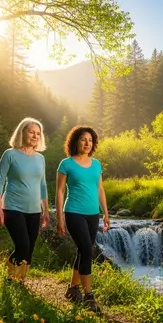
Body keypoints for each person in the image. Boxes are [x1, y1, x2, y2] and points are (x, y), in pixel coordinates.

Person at [55, 125, 110, 311]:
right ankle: (89, 295)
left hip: (93, 214)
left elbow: (100, 189)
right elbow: (60, 191)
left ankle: (72, 288)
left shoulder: (96, 164)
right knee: (87, 249)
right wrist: (60, 217)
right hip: (74, 212)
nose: (87, 143)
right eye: (83, 139)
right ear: (75, 141)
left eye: (90, 140)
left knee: (82, 251)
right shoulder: (66, 164)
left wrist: (106, 213)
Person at [0, 117, 50, 281]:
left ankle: (20, 280)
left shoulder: (40, 158)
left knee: (30, 248)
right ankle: (10, 279)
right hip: (12, 207)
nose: (35, 136)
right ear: (22, 132)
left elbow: (43, 185)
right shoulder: (10, 154)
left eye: (38, 133)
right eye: (31, 132)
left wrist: (46, 210)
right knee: (22, 245)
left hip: (34, 210)